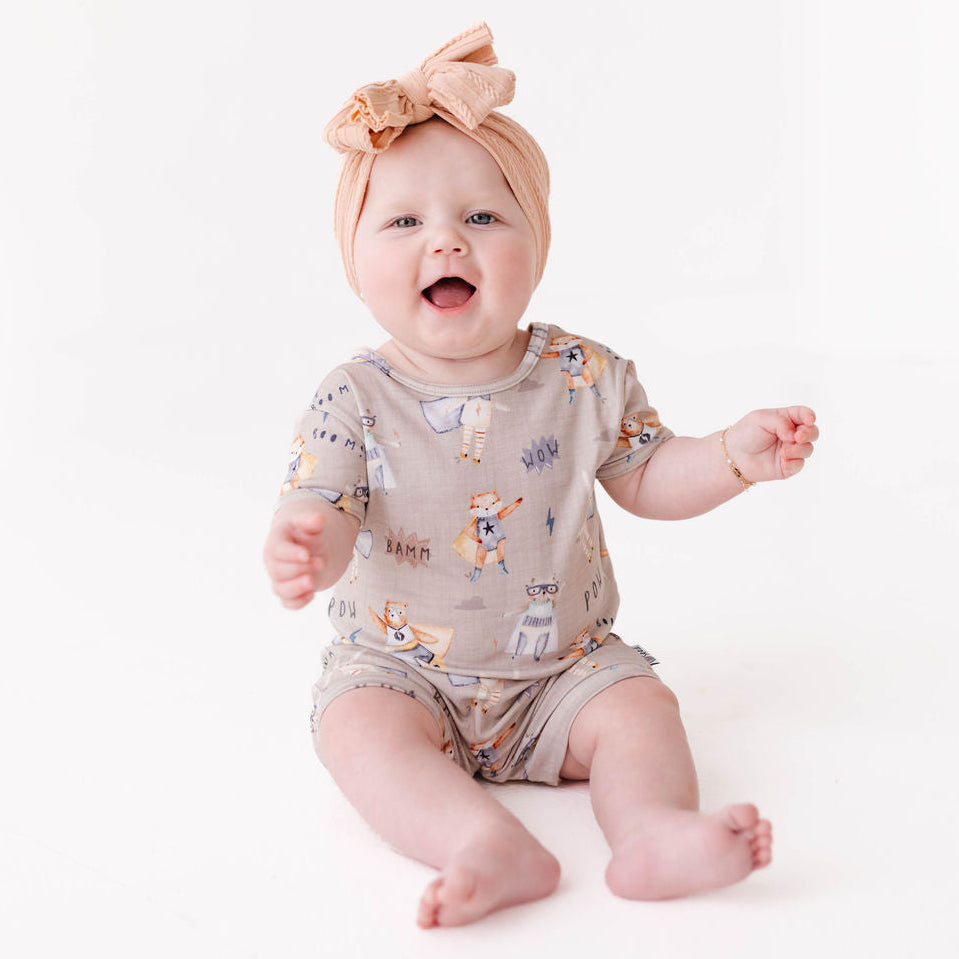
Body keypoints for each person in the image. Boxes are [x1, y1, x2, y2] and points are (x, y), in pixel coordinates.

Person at [263, 23, 817, 929]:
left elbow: (648, 472)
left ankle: (651, 831)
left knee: (639, 707)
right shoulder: (353, 396)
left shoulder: (581, 374)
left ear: (537, 239)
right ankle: (482, 843)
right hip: (402, 671)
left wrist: (729, 455)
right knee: (355, 730)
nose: (446, 242)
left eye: (482, 217)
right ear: (354, 259)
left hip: (566, 668)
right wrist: (306, 545)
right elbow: (321, 502)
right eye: (404, 222)